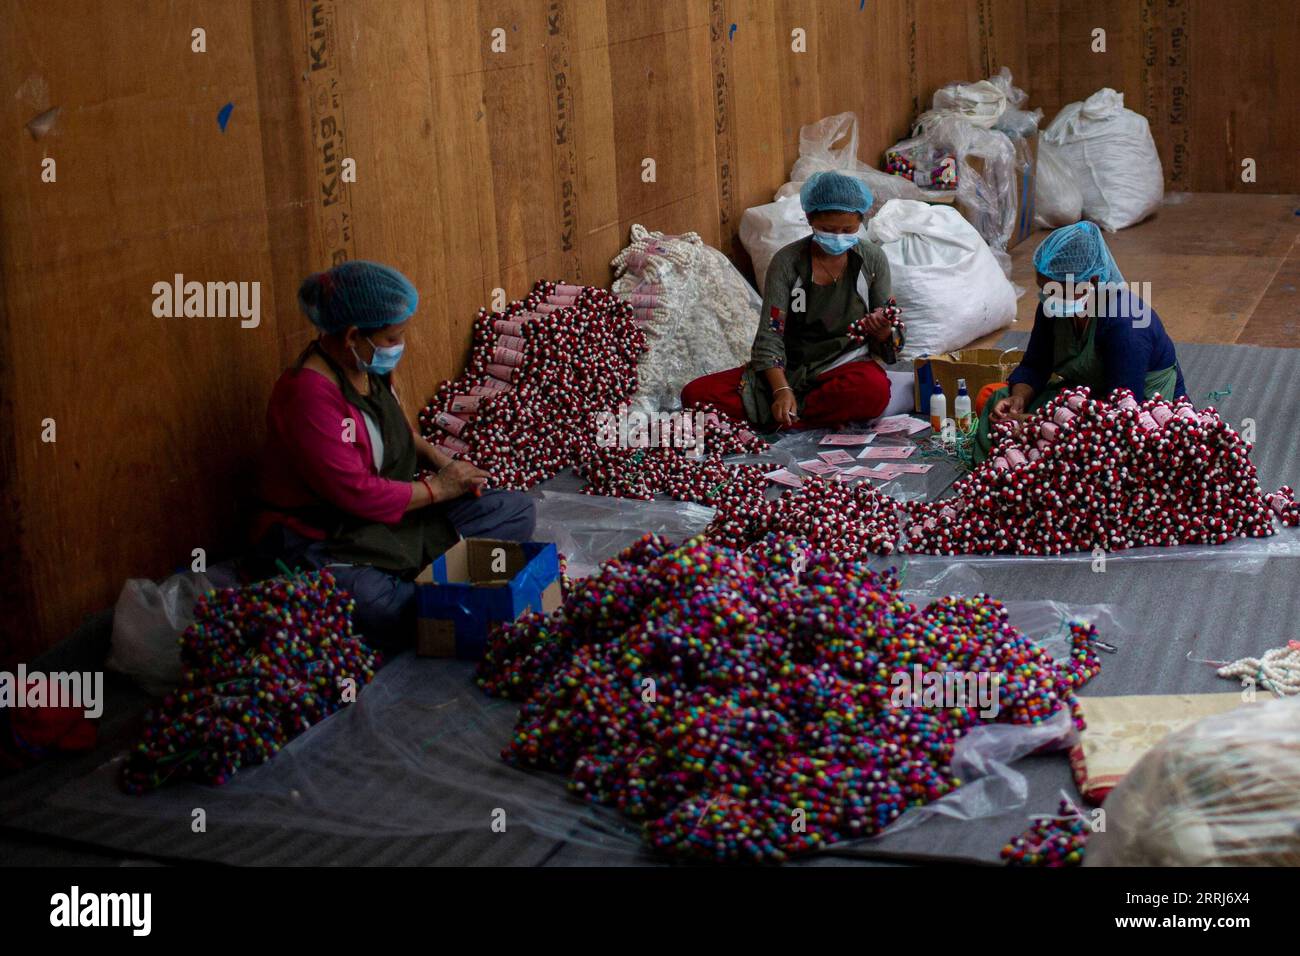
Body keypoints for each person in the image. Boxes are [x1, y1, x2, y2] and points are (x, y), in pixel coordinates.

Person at [251, 261, 536, 652]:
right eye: (392, 338)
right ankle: (426, 588)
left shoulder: (368, 369)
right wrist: (437, 489)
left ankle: (425, 585)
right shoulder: (308, 397)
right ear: (353, 336)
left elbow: (403, 433)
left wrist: (443, 463)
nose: (399, 347)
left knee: (515, 510)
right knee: (380, 606)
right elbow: (358, 494)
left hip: (396, 520)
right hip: (328, 538)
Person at [681, 171, 903, 429]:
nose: (838, 237)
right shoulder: (787, 263)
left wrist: (885, 331)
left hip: (843, 365)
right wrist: (781, 389)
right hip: (789, 367)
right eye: (829, 230)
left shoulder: (871, 259)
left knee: (872, 391)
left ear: (860, 223)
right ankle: (796, 412)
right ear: (810, 219)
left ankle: (787, 419)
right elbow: (770, 335)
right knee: (695, 395)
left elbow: (890, 327)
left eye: (848, 229)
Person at [973, 221, 1187, 462]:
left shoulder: (1126, 322)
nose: (1047, 297)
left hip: (1136, 411)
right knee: (995, 399)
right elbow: (1035, 365)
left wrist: (1038, 423)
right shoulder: (1053, 309)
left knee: (1106, 454)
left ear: (1093, 282)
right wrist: (1019, 398)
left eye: (1056, 290)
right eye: (1044, 288)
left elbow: (1124, 416)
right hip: (1085, 399)